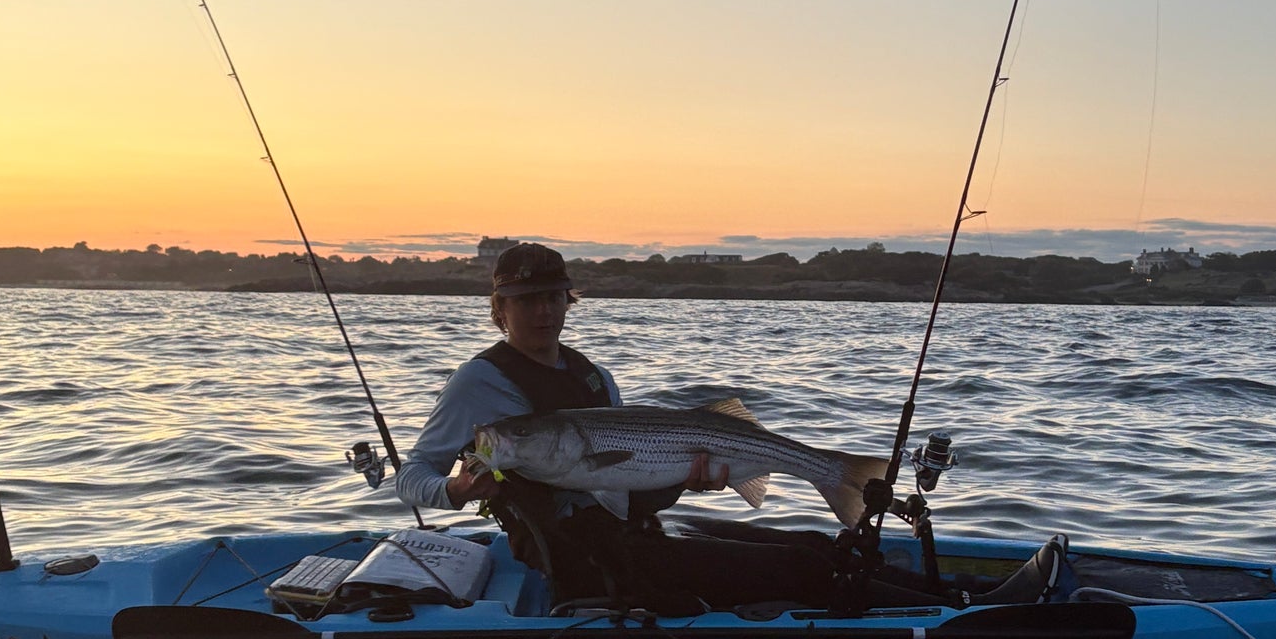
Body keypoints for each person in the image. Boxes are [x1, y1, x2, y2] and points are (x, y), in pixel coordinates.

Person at [395, 242, 927, 614]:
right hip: (582, 560)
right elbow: (411, 474)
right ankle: (951, 618)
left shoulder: (593, 377)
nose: (543, 311)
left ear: (568, 301)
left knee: (815, 544)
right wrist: (456, 489)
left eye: (554, 297)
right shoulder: (477, 382)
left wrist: (685, 480)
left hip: (633, 536)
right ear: (499, 307)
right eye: (526, 300)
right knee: (801, 569)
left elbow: (633, 490)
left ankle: (961, 601)